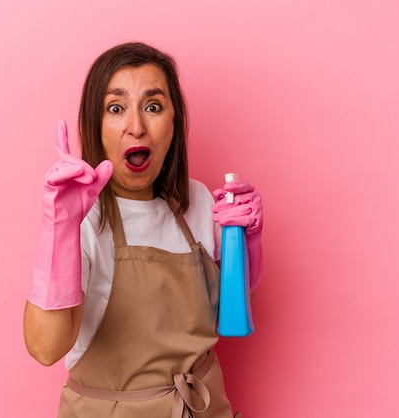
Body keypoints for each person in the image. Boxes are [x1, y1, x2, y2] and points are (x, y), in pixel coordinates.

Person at [23, 42, 263, 418]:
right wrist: (61, 228)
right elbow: (45, 348)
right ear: (95, 124)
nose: (136, 127)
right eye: (116, 108)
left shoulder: (196, 200)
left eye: (153, 106)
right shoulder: (85, 218)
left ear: (174, 123)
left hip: (205, 407)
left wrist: (249, 240)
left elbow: (231, 306)